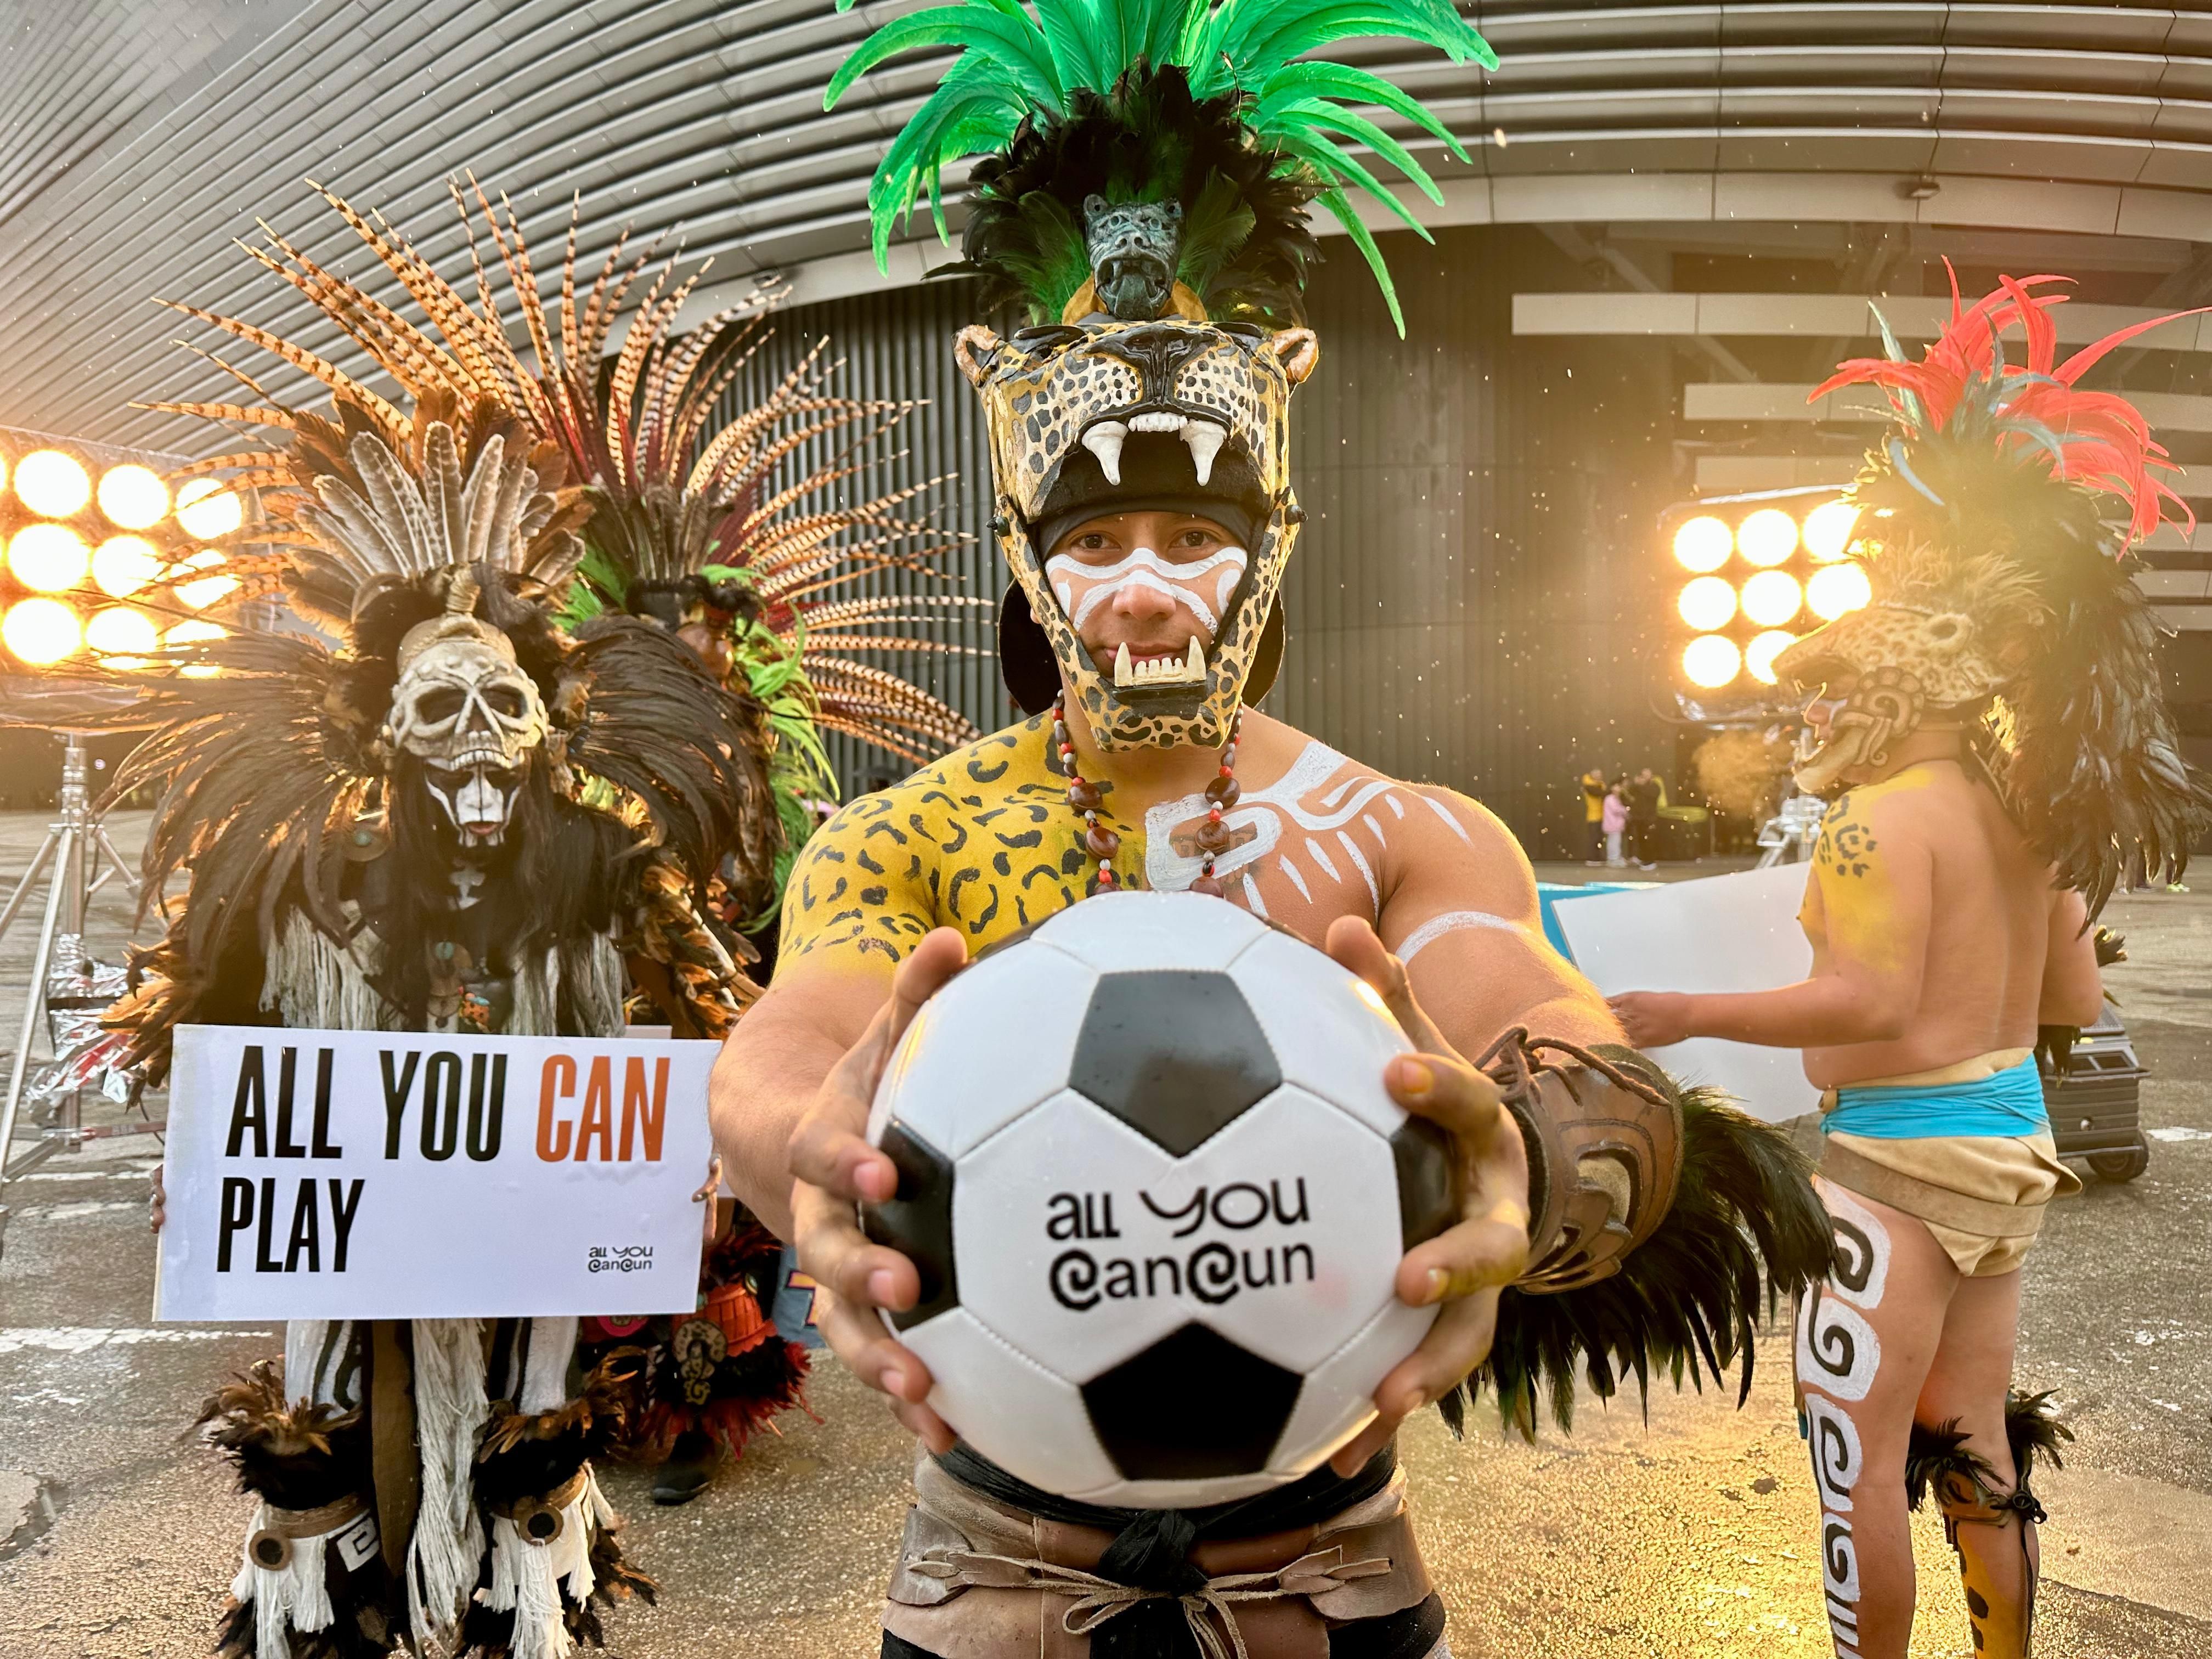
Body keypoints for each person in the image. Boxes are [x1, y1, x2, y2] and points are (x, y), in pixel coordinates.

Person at [714, 15, 1834, 1657]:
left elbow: (1552, 1028)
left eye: (1196, 530)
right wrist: (810, 1149)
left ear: (1275, 544)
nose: (1146, 588)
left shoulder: (1392, 833)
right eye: (1097, 534)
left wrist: (1533, 1156)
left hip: (1336, 1571)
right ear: (1027, 555)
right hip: (989, 1582)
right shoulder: (912, 838)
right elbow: (789, 1050)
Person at [120, 186, 789, 1659]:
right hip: (364, 1237)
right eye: (440, 708)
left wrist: (717, 1141)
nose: (478, 737)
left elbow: (704, 1012)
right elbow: (215, 1006)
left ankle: (520, 1569)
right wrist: (194, 1133)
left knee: (527, 1493)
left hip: (527, 1234)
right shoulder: (310, 869)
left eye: (504, 704)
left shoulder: (608, 854)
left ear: (553, 724)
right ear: (382, 736)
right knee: (324, 1494)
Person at [1610, 274, 2211, 1659]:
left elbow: (1868, 1004)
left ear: (1894, 688)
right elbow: (2073, 1001)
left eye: (1830, 689)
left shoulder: (1877, 819)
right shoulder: (2023, 811)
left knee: (1857, 1459)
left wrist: (1680, 1008)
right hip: (2010, 1145)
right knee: (1974, 1440)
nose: (1811, 713)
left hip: (1898, 1163)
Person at [1626, 768, 1663, 869]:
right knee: (1641, 839)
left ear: (1651, 776)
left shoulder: (1655, 786)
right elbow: (1630, 792)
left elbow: (1653, 795)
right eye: (1643, 775)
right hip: (1639, 818)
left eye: (1647, 775)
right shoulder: (1637, 787)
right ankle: (1643, 858)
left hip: (1649, 818)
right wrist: (1636, 784)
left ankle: (1650, 861)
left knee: (1649, 840)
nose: (1645, 777)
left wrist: (1640, 786)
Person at [1578, 764, 1609, 864]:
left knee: (1599, 838)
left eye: (1600, 774)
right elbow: (1599, 793)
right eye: (1597, 774)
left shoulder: (1600, 785)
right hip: (1593, 816)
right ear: (1592, 775)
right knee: (1594, 838)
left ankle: (1598, 857)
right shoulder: (1589, 786)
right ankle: (1592, 858)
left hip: (1601, 815)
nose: (1599, 776)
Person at [1600, 782, 1629, 867]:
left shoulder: (1616, 799)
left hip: (1617, 825)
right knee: (1614, 842)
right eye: (1617, 786)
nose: (1619, 788)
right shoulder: (1610, 798)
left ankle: (1615, 857)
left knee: (1616, 842)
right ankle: (1613, 859)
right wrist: (1625, 810)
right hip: (1613, 824)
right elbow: (1616, 810)